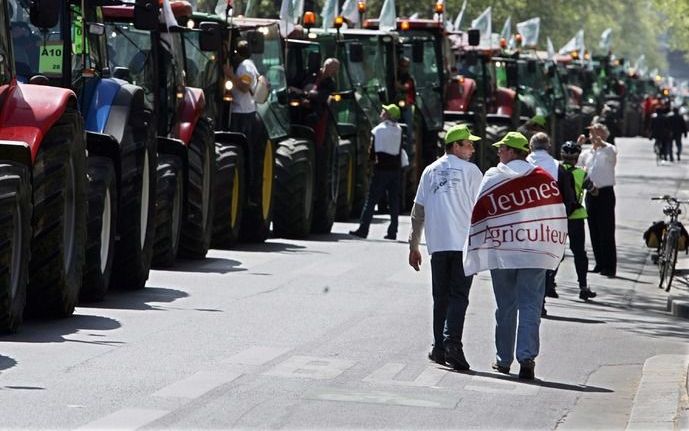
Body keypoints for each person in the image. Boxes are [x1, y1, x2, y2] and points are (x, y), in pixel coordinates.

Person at [464, 132, 567, 380]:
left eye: (502, 149)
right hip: (535, 252)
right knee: (531, 305)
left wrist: (477, 248)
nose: (498, 152)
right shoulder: (543, 179)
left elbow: (480, 211)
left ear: (512, 151)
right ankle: (527, 358)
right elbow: (556, 212)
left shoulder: (494, 176)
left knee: (506, 306)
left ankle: (503, 360)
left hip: (503, 253)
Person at [408, 124, 483, 370]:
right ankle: (453, 344)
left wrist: (414, 244)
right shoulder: (472, 172)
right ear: (455, 146)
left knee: (440, 297)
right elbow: (481, 210)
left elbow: (418, 212)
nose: (472, 148)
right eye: (468, 144)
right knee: (458, 296)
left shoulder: (430, 170)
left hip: (438, 244)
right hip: (462, 244)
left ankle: (439, 347)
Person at [526, 132, 576, 309]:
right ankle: (542, 296)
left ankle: (529, 299)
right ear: (548, 146)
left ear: (531, 146)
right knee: (549, 260)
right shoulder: (558, 167)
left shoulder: (521, 165)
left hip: (525, 224)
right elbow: (568, 198)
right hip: (550, 223)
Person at [350, 104, 404, 240]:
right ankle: (393, 231)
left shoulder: (378, 130)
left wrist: (369, 166)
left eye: (383, 111)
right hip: (395, 170)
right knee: (393, 202)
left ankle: (363, 229)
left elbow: (373, 152)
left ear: (387, 115)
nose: (381, 113)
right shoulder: (399, 130)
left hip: (381, 170)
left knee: (371, 200)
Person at [578, 123, 618, 277]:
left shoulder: (609, 149)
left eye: (597, 132)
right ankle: (599, 262)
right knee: (594, 229)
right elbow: (575, 163)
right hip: (590, 193)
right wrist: (579, 145)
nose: (593, 135)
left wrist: (600, 142)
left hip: (605, 193)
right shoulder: (587, 153)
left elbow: (612, 155)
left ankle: (609, 266)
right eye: (591, 132)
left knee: (606, 230)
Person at [560, 141, 597, 300]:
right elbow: (594, 191)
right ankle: (583, 286)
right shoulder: (581, 173)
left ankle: (549, 285)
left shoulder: (556, 171)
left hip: (558, 217)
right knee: (579, 253)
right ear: (577, 158)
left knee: (556, 252)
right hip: (575, 217)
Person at [226, 40, 260, 198]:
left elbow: (245, 86)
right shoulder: (249, 64)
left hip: (242, 113)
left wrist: (230, 75)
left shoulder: (245, 66)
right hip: (243, 111)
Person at [395, 56, 415, 148]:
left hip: (407, 106)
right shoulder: (396, 76)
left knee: (408, 128)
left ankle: (409, 148)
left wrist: (398, 85)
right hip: (396, 106)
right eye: (402, 66)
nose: (404, 68)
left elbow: (406, 87)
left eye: (406, 66)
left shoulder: (409, 78)